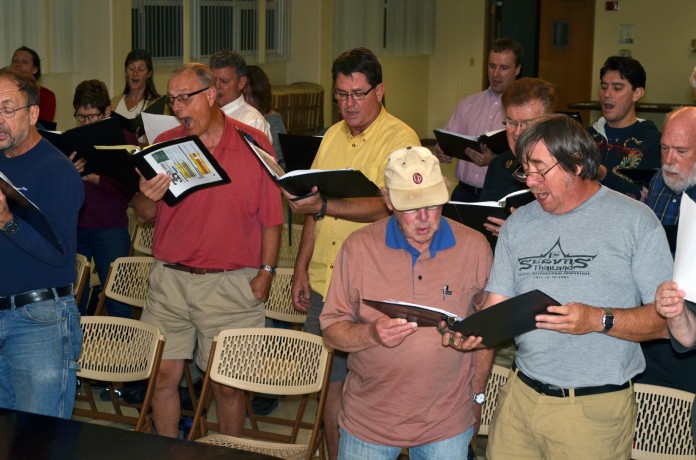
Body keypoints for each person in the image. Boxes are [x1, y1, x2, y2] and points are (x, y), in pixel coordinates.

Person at [445, 114, 673, 459]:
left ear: (577, 163)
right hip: (521, 398)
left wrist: (598, 320)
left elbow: (666, 322)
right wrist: (469, 330)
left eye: (540, 168)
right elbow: (496, 305)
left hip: (593, 409)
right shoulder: (518, 224)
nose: (531, 181)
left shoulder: (635, 221)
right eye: (524, 169)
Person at [132, 63, 283, 437]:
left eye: (186, 98)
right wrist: (146, 196)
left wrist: (267, 272)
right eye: (172, 100)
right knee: (163, 377)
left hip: (231, 284)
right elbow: (145, 212)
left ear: (212, 95)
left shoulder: (253, 142)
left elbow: (272, 217)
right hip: (170, 280)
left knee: (228, 386)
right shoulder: (165, 144)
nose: (178, 108)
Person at [283, 47, 420, 460]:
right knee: (331, 383)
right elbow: (314, 206)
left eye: (357, 94)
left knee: (377, 387)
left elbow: (388, 206)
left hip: (375, 284)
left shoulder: (402, 139)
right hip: (327, 281)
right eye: (341, 95)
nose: (348, 104)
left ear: (380, 91)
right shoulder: (333, 135)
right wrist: (301, 268)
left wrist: (323, 206)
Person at [320, 146, 492, 458]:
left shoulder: (475, 248)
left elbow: (488, 331)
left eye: (432, 204)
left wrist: (477, 395)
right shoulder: (358, 249)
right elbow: (332, 330)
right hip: (369, 420)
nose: (424, 219)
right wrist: (372, 334)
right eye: (410, 208)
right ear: (387, 200)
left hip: (446, 422)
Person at [0, 68, 84, 418]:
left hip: (39, 321)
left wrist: (8, 223)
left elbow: (59, 254)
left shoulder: (57, 170)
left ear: (33, 114)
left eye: (7, 109)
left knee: (41, 441)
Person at [637, 107, 696, 396]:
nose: (669, 160)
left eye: (681, 151)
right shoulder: (660, 181)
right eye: (664, 149)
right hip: (652, 317)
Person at [69, 79, 136, 317]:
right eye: (81, 116)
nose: (86, 122)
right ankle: (76, 350)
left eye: (92, 116)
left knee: (118, 296)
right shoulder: (73, 138)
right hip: (77, 224)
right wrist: (68, 171)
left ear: (107, 111)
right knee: (75, 295)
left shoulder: (124, 139)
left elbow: (130, 190)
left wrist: (101, 181)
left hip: (110, 225)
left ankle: (127, 351)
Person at [434, 37, 523, 202]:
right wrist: (440, 151)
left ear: (517, 69)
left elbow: (528, 159)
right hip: (463, 192)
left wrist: (494, 161)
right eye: (492, 66)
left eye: (503, 68)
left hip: (501, 196)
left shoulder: (522, 111)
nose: (496, 74)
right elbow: (446, 139)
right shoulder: (467, 104)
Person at [479, 77, 556, 237]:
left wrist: (522, 232)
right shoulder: (498, 165)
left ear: (548, 124)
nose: (517, 133)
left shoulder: (564, 170)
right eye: (511, 123)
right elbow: (484, 221)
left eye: (527, 124)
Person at [588, 56, 661, 200]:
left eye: (617, 88)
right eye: (603, 87)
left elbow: (646, 196)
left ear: (637, 93)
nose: (607, 95)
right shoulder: (586, 136)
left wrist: (604, 175)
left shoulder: (653, 142)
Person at [209, 50, 271, 142]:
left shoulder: (252, 121)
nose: (217, 86)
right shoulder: (203, 111)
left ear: (241, 83)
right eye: (213, 80)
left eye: (224, 81)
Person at [243, 64, 287, 167]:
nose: (247, 101)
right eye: (244, 95)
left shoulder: (272, 120)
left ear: (261, 95)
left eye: (253, 96)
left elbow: (280, 165)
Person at [110, 49, 161, 120]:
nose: (135, 73)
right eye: (131, 68)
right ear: (125, 71)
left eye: (141, 69)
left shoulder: (156, 105)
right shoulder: (114, 102)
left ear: (149, 73)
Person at [10, 46, 56, 122]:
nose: (18, 64)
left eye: (24, 62)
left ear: (35, 69)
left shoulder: (47, 96)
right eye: (15, 61)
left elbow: (44, 128)